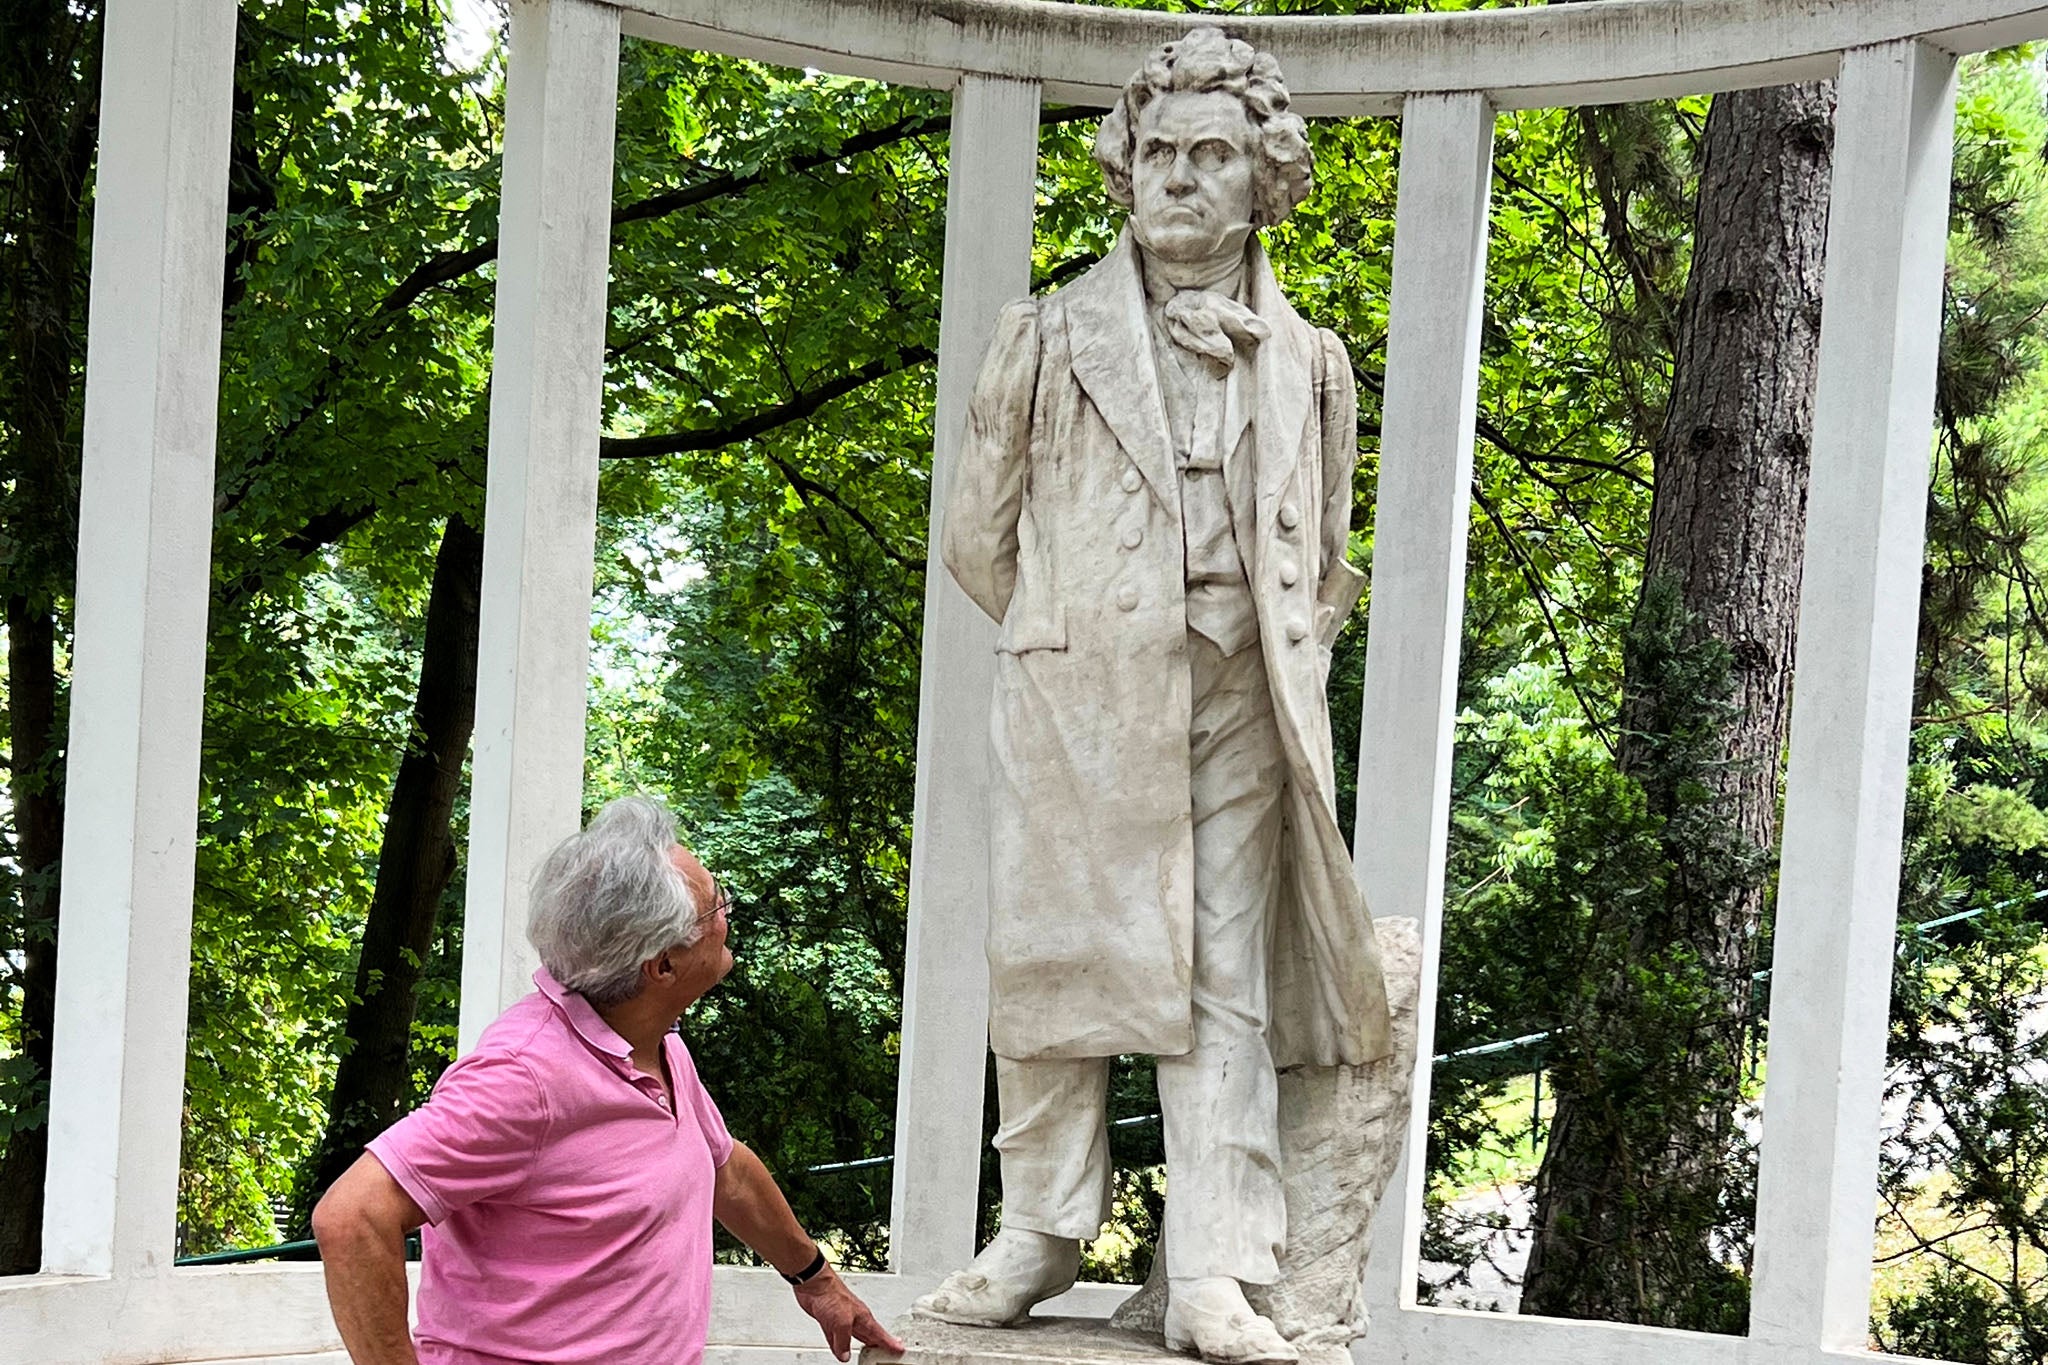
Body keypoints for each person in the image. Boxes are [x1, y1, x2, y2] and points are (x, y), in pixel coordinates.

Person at [918, 29, 1391, 1365]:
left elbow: (1328, 554)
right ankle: (1039, 1231)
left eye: (1217, 155)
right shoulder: (1048, 332)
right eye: (1162, 154)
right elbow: (978, 537)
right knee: (1055, 955)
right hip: (1079, 694)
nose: (1184, 178)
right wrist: (1083, 629)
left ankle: (1214, 1272)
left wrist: (1261, 650)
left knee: (1224, 971)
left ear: (1267, 180)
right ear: (1123, 174)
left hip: (1246, 701)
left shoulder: (1310, 362)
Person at [312, 796, 904, 1365]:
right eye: (716, 904)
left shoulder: (653, 1043)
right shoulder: (523, 1077)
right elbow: (350, 1217)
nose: (728, 914)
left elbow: (724, 1170)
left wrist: (817, 1282)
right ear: (663, 965)